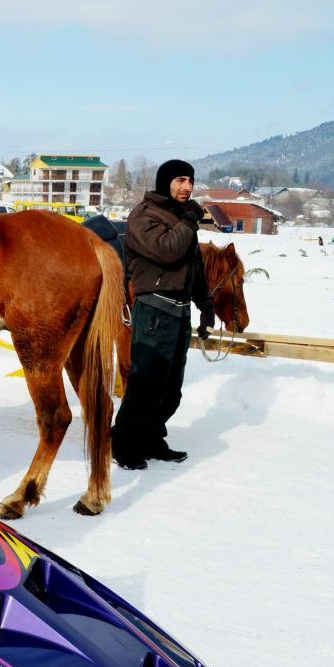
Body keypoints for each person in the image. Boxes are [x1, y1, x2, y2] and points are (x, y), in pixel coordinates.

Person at [111, 159, 212, 470]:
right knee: (144, 384)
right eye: (180, 180)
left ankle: (153, 439)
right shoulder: (144, 215)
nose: (187, 187)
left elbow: (192, 266)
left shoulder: (181, 218)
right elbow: (168, 250)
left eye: (191, 181)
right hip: (154, 309)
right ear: (165, 181)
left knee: (170, 388)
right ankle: (124, 444)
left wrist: (205, 305)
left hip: (179, 314)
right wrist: (190, 223)